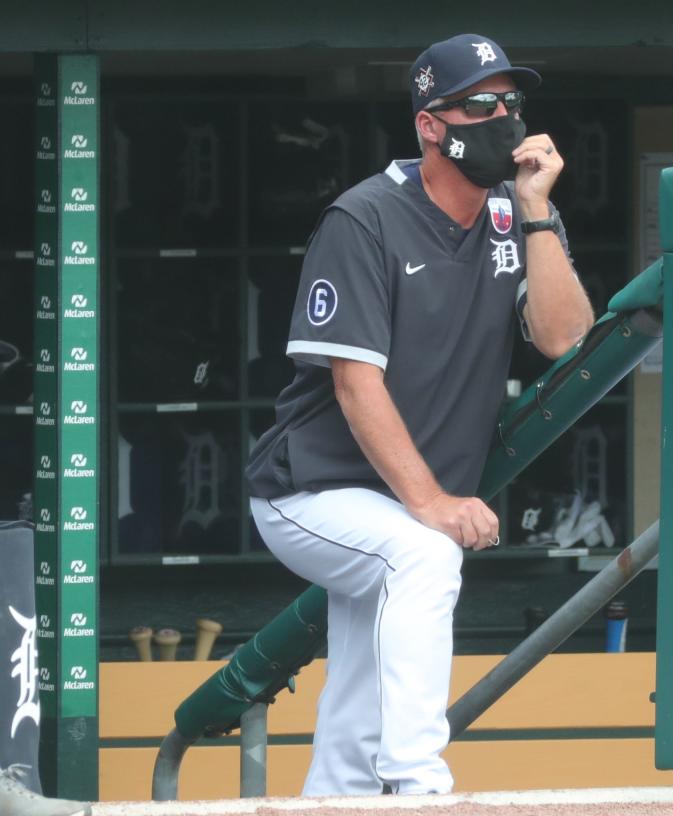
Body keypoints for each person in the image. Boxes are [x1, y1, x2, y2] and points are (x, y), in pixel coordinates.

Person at [245, 33, 594, 796]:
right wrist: (431, 502)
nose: (503, 117)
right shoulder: (364, 217)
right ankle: (416, 783)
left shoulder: (517, 213)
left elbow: (565, 337)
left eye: (511, 102)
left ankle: (338, 795)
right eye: (479, 103)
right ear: (430, 125)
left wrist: (537, 212)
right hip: (313, 487)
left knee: (365, 662)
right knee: (424, 557)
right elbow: (354, 384)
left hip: (394, 502)